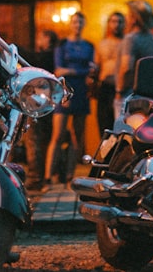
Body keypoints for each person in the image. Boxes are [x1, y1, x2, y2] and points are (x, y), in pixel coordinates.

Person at [46, 11, 94, 187]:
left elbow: (91, 70)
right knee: (57, 135)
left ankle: (69, 177)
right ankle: (48, 177)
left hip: (81, 92)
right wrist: (78, 72)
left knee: (77, 137)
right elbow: (58, 70)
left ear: (84, 24)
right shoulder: (62, 44)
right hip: (64, 90)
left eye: (80, 22)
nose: (77, 25)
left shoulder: (89, 46)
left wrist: (72, 71)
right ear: (70, 24)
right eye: (74, 22)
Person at [24, 28, 57, 192]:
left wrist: (12, 46)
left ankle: (35, 177)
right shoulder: (53, 56)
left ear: (47, 39)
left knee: (34, 139)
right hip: (47, 102)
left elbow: (33, 58)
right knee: (41, 139)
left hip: (38, 102)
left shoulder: (46, 56)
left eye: (41, 37)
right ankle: (40, 176)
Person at [114, 0, 153, 110]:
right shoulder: (152, 38)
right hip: (146, 93)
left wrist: (119, 90)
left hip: (128, 93)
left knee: (123, 126)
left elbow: (126, 68)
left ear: (134, 19)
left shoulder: (131, 39)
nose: (126, 18)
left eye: (128, 15)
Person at [94, 11, 125, 136]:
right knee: (104, 126)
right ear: (109, 24)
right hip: (105, 88)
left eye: (120, 22)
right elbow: (96, 66)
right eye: (113, 21)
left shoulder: (127, 43)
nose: (116, 25)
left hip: (121, 88)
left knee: (120, 126)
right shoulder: (102, 44)